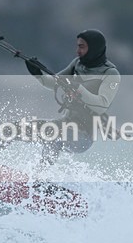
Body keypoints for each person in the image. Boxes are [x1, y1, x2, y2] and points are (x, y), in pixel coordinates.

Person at [23, 29, 121, 164]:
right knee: (17, 128)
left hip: (83, 136)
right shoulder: (77, 63)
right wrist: (38, 74)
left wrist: (78, 87)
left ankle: (40, 179)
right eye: (77, 46)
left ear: (94, 48)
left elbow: (101, 105)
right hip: (63, 125)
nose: (77, 51)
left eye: (82, 47)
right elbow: (54, 83)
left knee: (55, 135)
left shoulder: (111, 74)